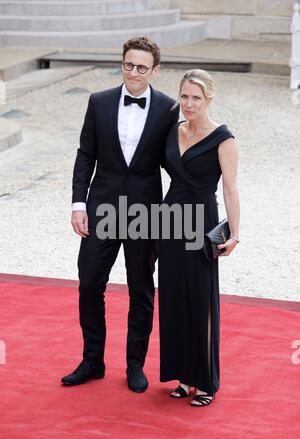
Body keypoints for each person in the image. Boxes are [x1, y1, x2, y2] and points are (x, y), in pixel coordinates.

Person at [61, 36, 179, 392]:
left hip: (146, 212)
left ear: (154, 70)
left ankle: (134, 365)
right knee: (89, 283)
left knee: (140, 290)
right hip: (102, 208)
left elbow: (175, 162)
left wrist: (201, 197)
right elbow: (86, 155)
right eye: (129, 64)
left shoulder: (168, 109)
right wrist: (78, 203)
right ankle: (92, 360)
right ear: (122, 63)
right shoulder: (98, 102)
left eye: (142, 67)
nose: (134, 72)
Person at [158, 69, 240, 406]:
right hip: (169, 221)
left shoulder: (223, 138)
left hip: (200, 222)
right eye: (185, 96)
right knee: (174, 298)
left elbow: (231, 189)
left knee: (201, 300)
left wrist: (235, 233)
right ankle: (183, 376)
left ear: (209, 99)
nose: (189, 104)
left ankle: (205, 382)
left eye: (196, 97)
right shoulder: (171, 131)